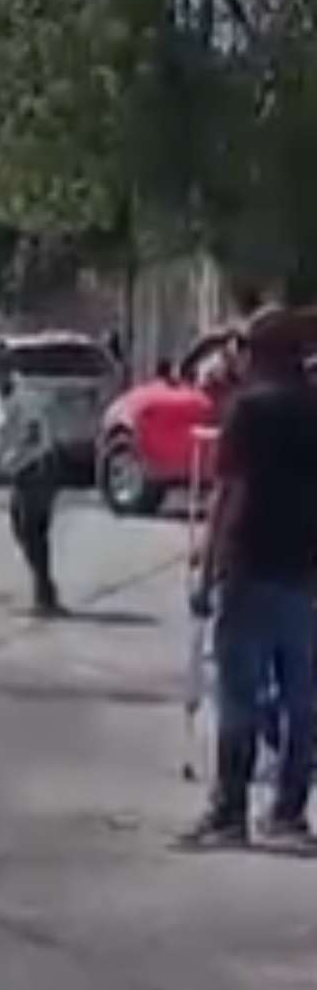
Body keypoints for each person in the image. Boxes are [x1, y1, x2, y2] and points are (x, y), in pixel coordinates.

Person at [183, 308, 317, 848]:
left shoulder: (249, 411)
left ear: (257, 354)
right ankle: (288, 812)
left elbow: (227, 493)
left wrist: (206, 562)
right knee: (301, 699)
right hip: (304, 571)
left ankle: (229, 811)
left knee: (238, 694)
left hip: (248, 562)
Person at [0, 341, 64, 616]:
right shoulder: (6, 398)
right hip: (27, 469)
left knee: (32, 532)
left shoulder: (24, 396)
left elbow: (31, 438)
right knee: (23, 529)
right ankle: (44, 590)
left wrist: (4, 464)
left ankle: (46, 595)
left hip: (40, 468)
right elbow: (6, 432)